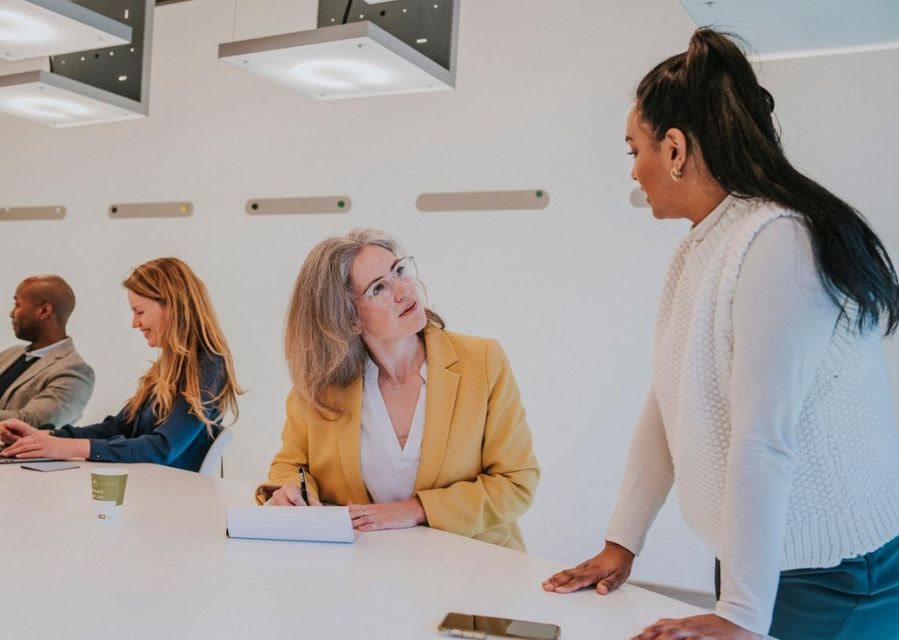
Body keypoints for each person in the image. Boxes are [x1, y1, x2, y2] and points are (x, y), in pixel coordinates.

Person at [543, 28, 899, 640]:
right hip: (760, 563)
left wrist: (739, 612)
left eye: (636, 149)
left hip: (834, 577)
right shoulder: (705, 246)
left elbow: (764, 438)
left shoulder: (779, 242)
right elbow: (670, 399)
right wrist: (621, 542)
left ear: (675, 150)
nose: (634, 171)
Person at [257, 229, 540, 551]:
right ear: (348, 319)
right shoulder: (322, 385)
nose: (404, 289)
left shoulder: (482, 361)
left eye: (399, 271)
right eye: (379, 288)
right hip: (366, 566)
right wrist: (289, 488)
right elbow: (290, 464)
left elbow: (517, 483)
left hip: (471, 561)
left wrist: (416, 510)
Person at [0, 258, 242, 472]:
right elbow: (118, 426)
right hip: (146, 486)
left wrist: (65, 446)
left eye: (139, 312)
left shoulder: (209, 364)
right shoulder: (166, 367)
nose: (134, 323)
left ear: (172, 307)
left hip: (170, 496)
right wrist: (45, 437)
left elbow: (162, 447)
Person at [0, 275, 94, 427]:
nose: (12, 313)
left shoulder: (76, 372)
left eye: (17, 305)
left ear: (44, 311)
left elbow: (31, 422)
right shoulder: (10, 353)